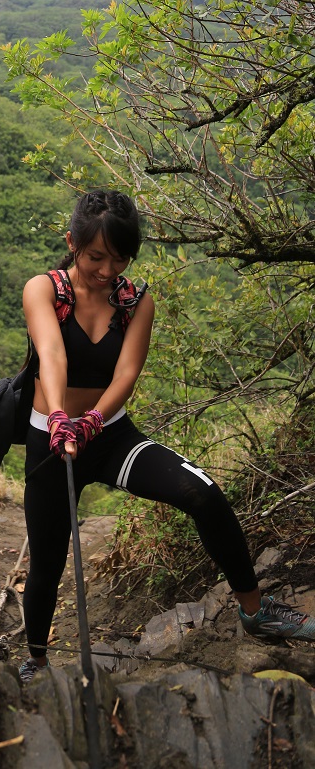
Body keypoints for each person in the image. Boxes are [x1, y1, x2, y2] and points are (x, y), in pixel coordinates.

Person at [19, 189, 315, 682]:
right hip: (49, 438)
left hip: (110, 435)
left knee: (204, 493)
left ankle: (254, 610)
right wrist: (58, 419)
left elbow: (126, 376)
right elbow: (53, 357)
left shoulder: (137, 303)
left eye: (120, 259)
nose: (108, 270)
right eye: (96, 257)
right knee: (48, 557)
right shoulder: (44, 291)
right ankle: (37, 660)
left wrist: (90, 421)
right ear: (72, 243)